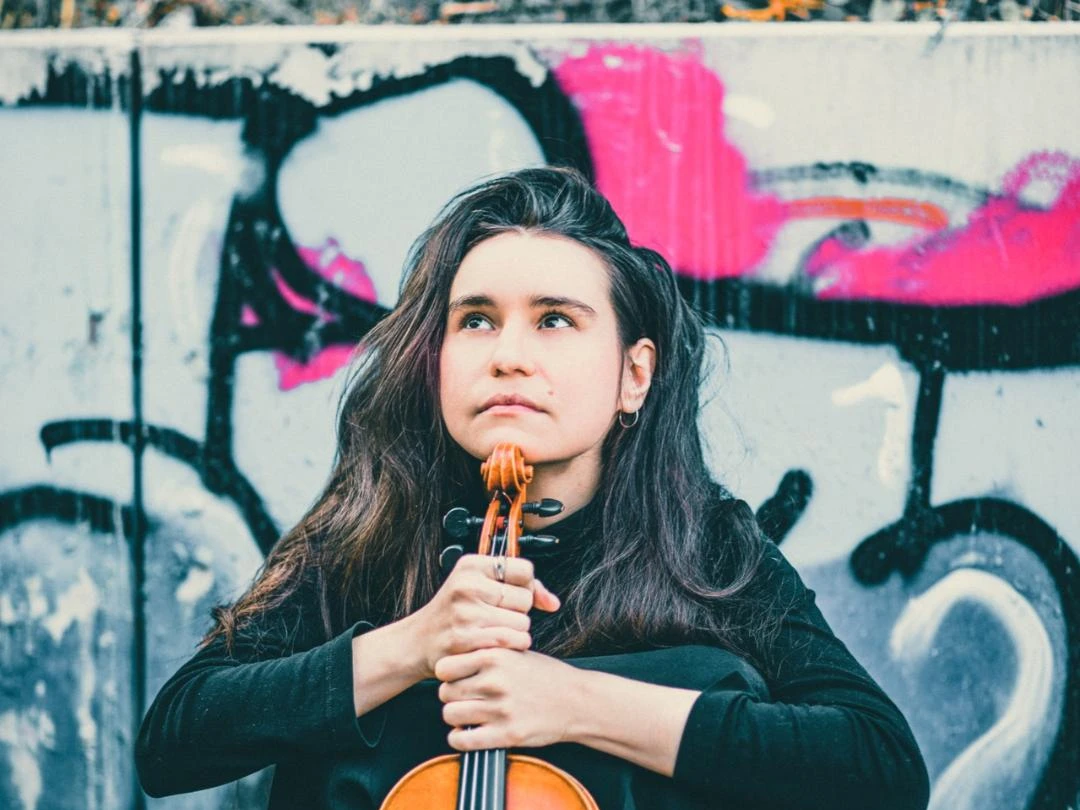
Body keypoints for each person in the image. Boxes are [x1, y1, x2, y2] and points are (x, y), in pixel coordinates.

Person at [136, 166, 929, 810]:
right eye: (475, 320)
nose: (507, 354)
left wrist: (579, 704)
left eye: (555, 320)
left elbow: (881, 767)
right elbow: (172, 742)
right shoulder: (370, 533)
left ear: (634, 375)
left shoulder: (703, 544)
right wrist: (412, 647)